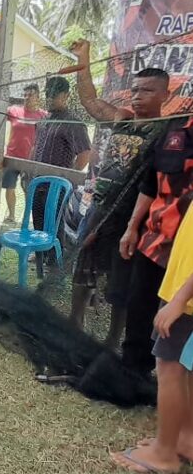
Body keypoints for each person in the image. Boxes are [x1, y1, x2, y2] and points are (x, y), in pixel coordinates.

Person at [68, 39, 171, 350]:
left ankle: (113, 341)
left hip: (133, 218)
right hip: (100, 207)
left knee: (121, 281)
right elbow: (89, 100)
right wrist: (84, 61)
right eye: (136, 90)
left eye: (148, 90)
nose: (139, 96)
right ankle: (74, 323)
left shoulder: (167, 130)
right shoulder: (121, 119)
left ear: (165, 94)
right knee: (82, 266)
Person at [111, 207, 193, 473]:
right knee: (186, 370)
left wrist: (180, 299)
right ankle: (186, 439)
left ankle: (164, 454)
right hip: (184, 292)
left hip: (187, 300)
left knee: (169, 367)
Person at [118, 109, 193, 376]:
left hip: (188, 257)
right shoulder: (174, 129)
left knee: (178, 325)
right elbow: (150, 185)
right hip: (156, 242)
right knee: (140, 308)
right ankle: (132, 373)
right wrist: (132, 227)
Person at [29, 76, 91, 264]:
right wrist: (29, 169)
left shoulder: (73, 123)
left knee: (54, 220)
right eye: (47, 94)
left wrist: (67, 179)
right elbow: (36, 145)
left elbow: (85, 153)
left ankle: (55, 256)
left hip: (57, 184)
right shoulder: (44, 120)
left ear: (65, 96)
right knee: (37, 216)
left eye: (54, 95)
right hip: (37, 179)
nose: (49, 98)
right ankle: (39, 252)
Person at [3, 83, 47, 222]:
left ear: (38, 97)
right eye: (25, 95)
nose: (27, 98)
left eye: (31, 95)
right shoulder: (13, 111)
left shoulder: (44, 116)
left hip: (30, 160)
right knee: (9, 187)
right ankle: (11, 215)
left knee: (29, 189)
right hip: (12, 156)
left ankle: (28, 216)